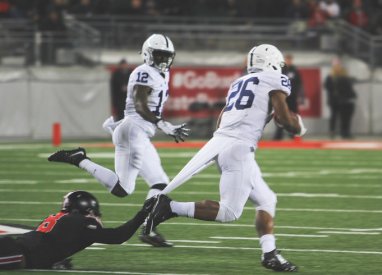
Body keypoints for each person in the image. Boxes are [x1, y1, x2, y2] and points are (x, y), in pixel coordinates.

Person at [145, 44, 306, 272]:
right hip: (239, 149)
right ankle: (170, 207)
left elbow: (222, 120)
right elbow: (285, 119)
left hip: (223, 144)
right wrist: (298, 127)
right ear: (271, 62)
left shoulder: (239, 82)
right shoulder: (274, 79)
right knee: (229, 212)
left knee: (267, 199)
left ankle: (270, 254)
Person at [47, 34, 189, 247]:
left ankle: (148, 229)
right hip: (134, 131)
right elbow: (140, 106)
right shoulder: (144, 71)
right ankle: (80, 159)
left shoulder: (162, 73)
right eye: (159, 55)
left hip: (139, 132)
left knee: (160, 183)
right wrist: (163, 124)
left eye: (166, 56)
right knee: (123, 189)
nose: (163, 60)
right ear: (149, 54)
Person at [0, 190, 155, 270]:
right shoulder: (80, 222)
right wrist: (143, 214)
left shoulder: (63, 220)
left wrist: (53, 263)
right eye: (95, 214)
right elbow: (118, 236)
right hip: (14, 253)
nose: (97, 218)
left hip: (13, 249)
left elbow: (44, 247)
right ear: (87, 210)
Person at [273, 53, 304, 140]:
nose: (288, 61)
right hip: (282, 98)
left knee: (294, 116)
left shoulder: (295, 71)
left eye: (290, 60)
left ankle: (294, 134)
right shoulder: (281, 70)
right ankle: (278, 136)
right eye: (287, 59)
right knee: (280, 116)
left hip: (292, 98)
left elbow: (299, 84)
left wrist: (297, 94)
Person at [324, 61, 356, 139]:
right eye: (336, 66)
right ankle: (332, 131)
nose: (337, 68)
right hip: (333, 100)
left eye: (338, 66)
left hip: (342, 100)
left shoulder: (343, 77)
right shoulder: (330, 77)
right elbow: (326, 86)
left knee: (343, 117)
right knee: (334, 116)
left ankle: (343, 132)